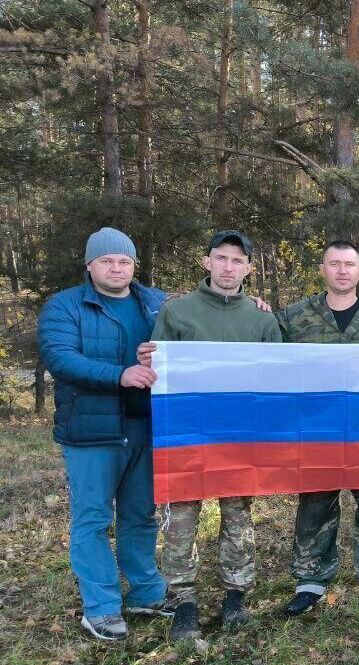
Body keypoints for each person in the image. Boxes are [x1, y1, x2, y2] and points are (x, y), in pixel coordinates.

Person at [139, 230, 283, 641]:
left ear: (249, 270)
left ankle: (236, 594)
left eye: (237, 261)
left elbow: (277, 378)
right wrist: (147, 358)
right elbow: (157, 366)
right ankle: (182, 599)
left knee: (238, 516)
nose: (228, 267)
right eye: (221, 258)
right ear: (206, 262)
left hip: (241, 436)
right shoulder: (177, 311)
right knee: (182, 517)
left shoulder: (261, 319)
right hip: (186, 434)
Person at [37, 228, 169, 641]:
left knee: (140, 515)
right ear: (90, 264)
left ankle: (146, 592)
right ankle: (101, 607)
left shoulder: (157, 303)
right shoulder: (66, 306)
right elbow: (60, 359)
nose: (116, 268)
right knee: (93, 518)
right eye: (107, 260)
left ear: (134, 265)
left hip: (146, 426)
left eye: (124, 261)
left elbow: (199, 331)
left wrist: (251, 305)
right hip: (92, 431)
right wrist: (121, 374)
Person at [276, 240, 359, 615]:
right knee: (316, 498)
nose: (342, 271)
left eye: (349, 264)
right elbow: (266, 355)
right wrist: (258, 308)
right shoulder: (295, 317)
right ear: (323, 269)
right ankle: (310, 579)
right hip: (315, 426)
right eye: (334, 264)